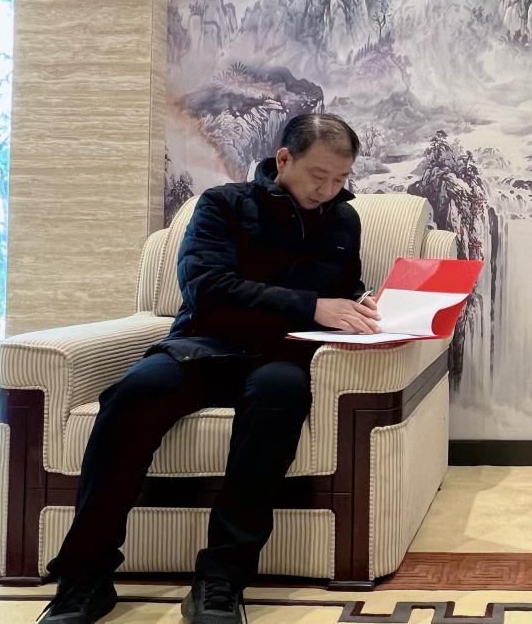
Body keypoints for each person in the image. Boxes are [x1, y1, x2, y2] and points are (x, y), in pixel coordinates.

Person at [39, 113, 381, 624]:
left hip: (281, 357)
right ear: (284, 159)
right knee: (132, 394)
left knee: (280, 396)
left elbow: (341, 288)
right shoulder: (221, 205)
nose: (329, 190)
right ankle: (84, 579)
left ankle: (221, 580)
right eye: (319, 176)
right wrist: (312, 305)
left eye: (341, 179)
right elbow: (208, 288)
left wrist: (359, 302)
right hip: (203, 346)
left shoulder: (343, 220)